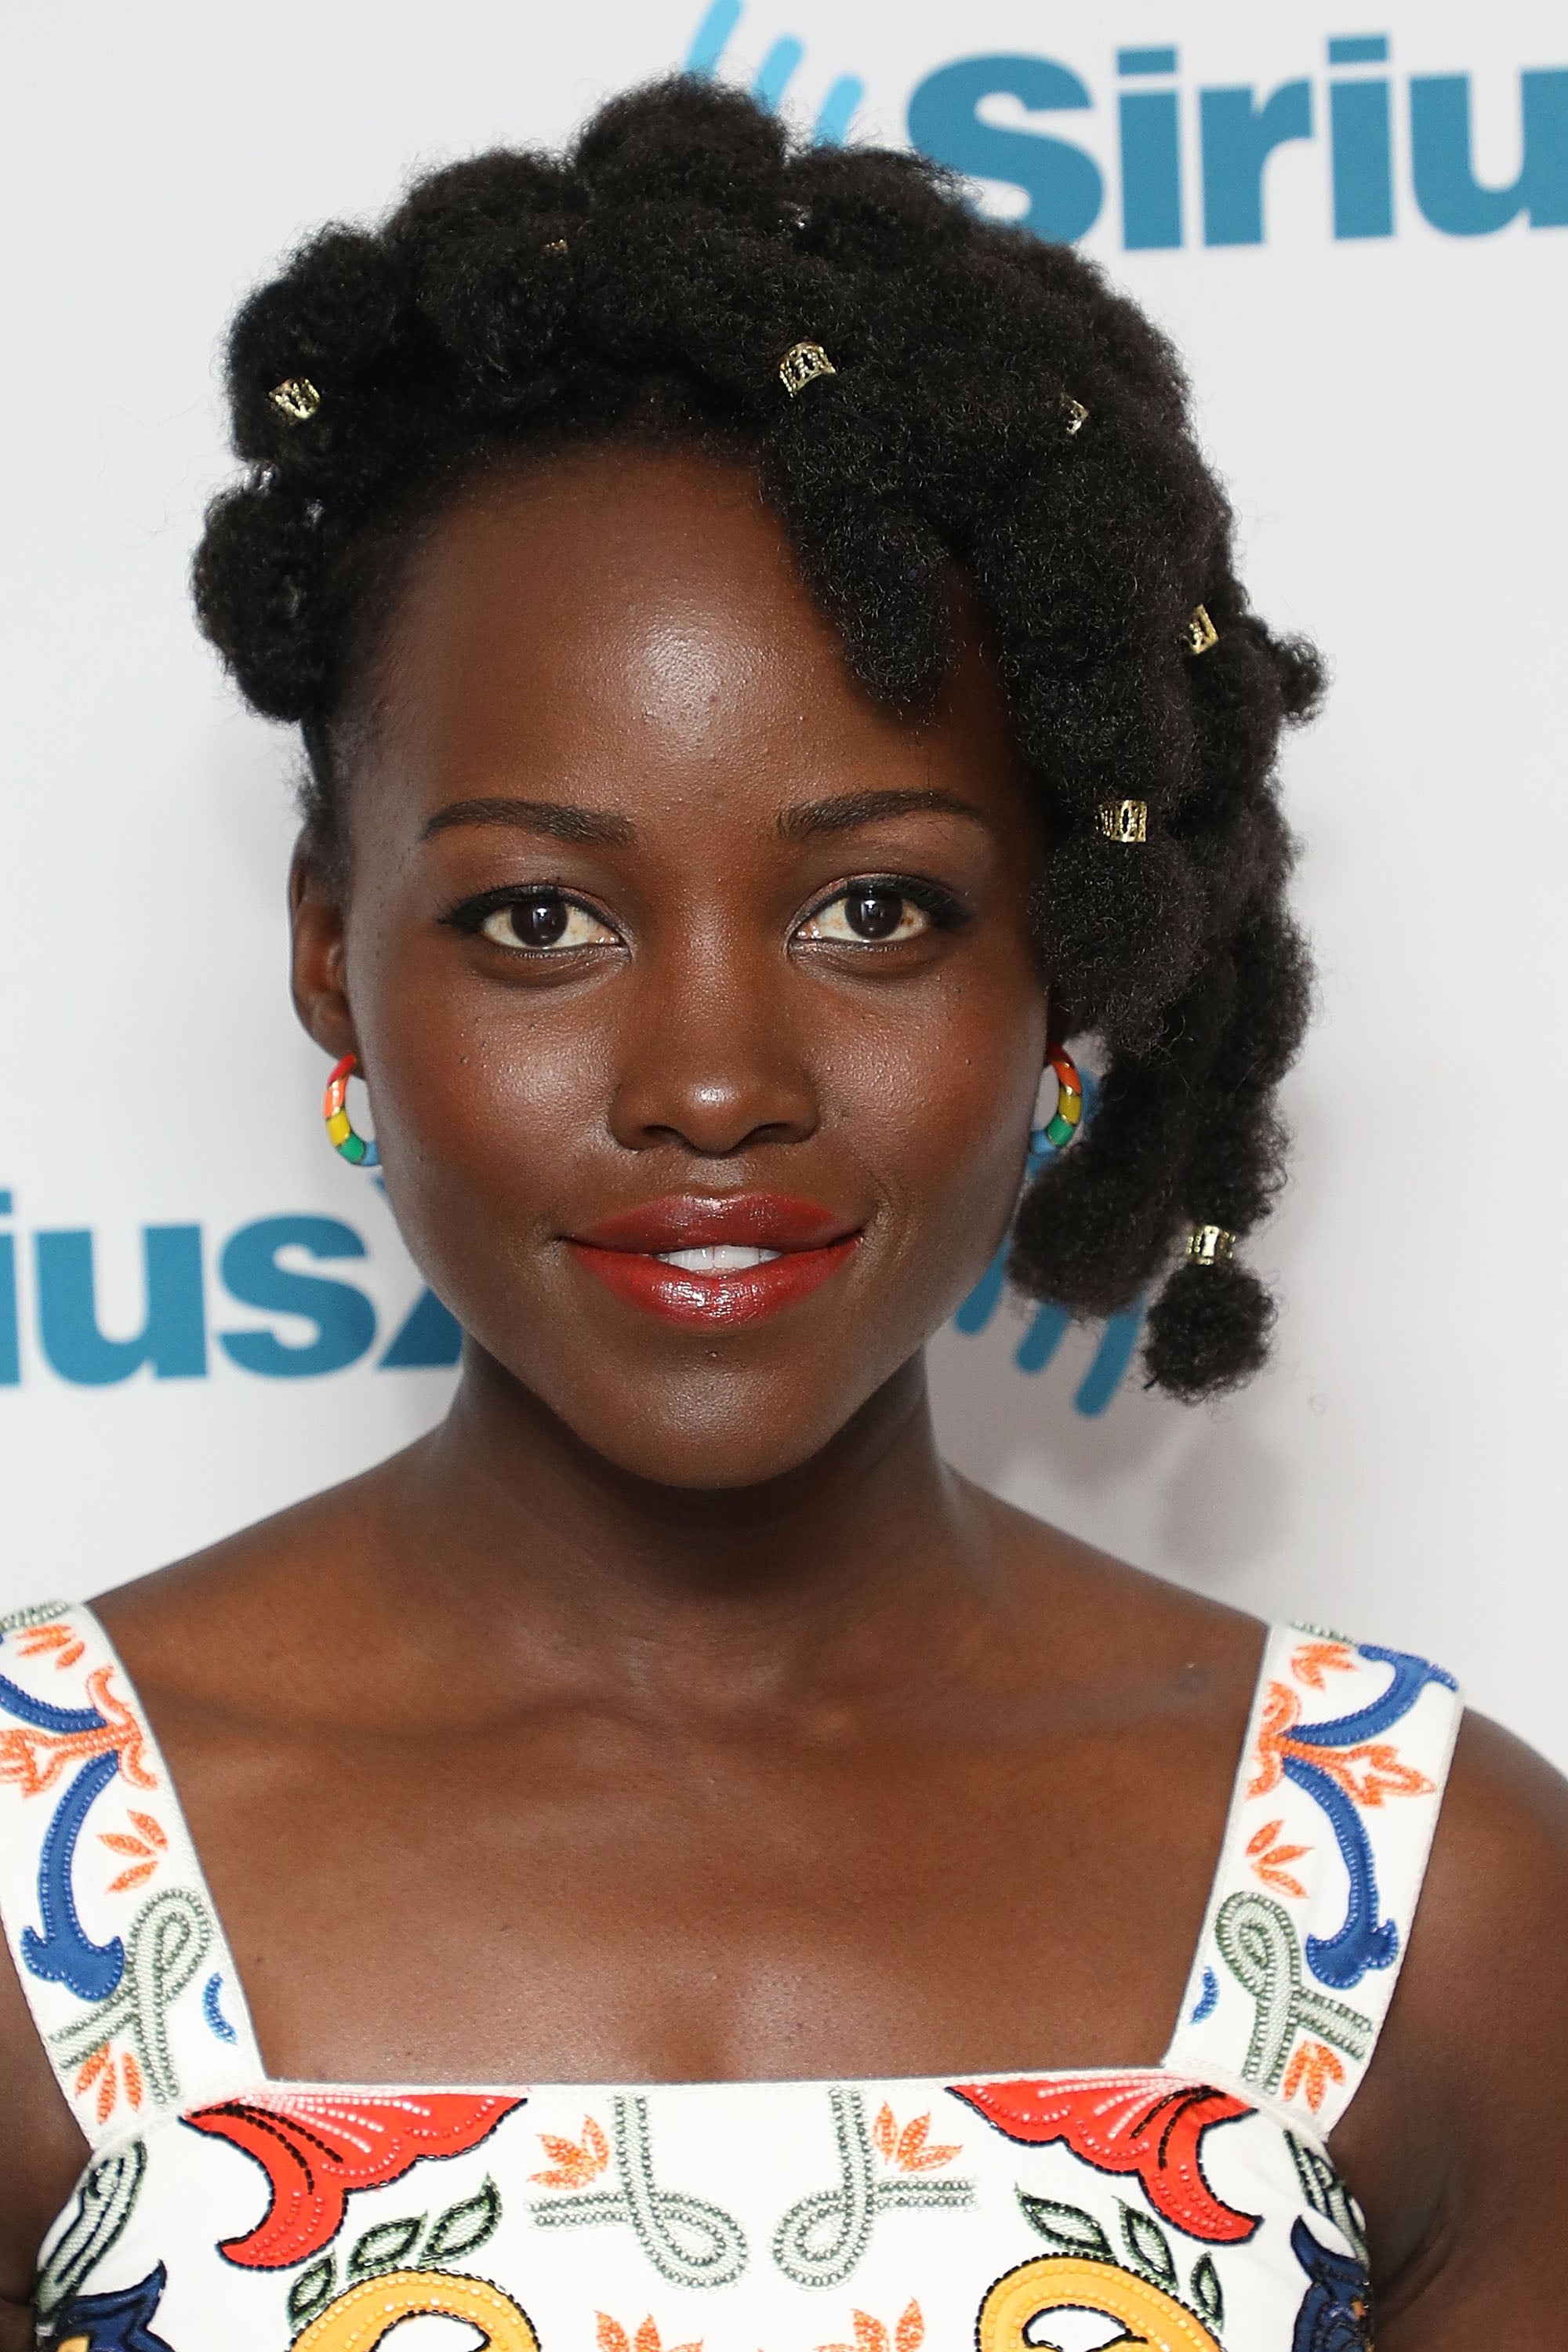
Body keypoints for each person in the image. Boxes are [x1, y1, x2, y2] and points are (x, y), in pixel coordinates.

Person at [2, 77, 1564, 2352]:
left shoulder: (1432, 1906)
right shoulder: (30, 1877)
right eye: (541, 917)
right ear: (336, 948)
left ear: (1074, 956)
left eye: (874, 907)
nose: (712, 1085)